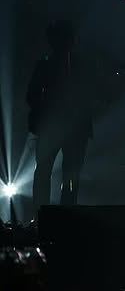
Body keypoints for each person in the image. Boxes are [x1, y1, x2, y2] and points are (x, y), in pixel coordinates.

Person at [28, 20, 95, 213]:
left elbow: (32, 95)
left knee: (49, 172)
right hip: (63, 126)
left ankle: (46, 214)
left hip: (61, 127)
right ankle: (59, 214)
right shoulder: (79, 65)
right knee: (63, 173)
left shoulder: (48, 65)